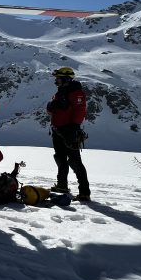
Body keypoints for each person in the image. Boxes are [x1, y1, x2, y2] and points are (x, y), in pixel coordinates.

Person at [46, 66, 91, 201]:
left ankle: (84, 192)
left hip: (70, 131)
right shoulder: (60, 93)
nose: (56, 81)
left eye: (58, 78)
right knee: (60, 158)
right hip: (58, 130)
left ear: (66, 79)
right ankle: (62, 185)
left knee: (75, 161)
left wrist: (73, 127)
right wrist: (50, 107)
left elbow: (80, 110)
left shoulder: (76, 93)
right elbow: (53, 110)